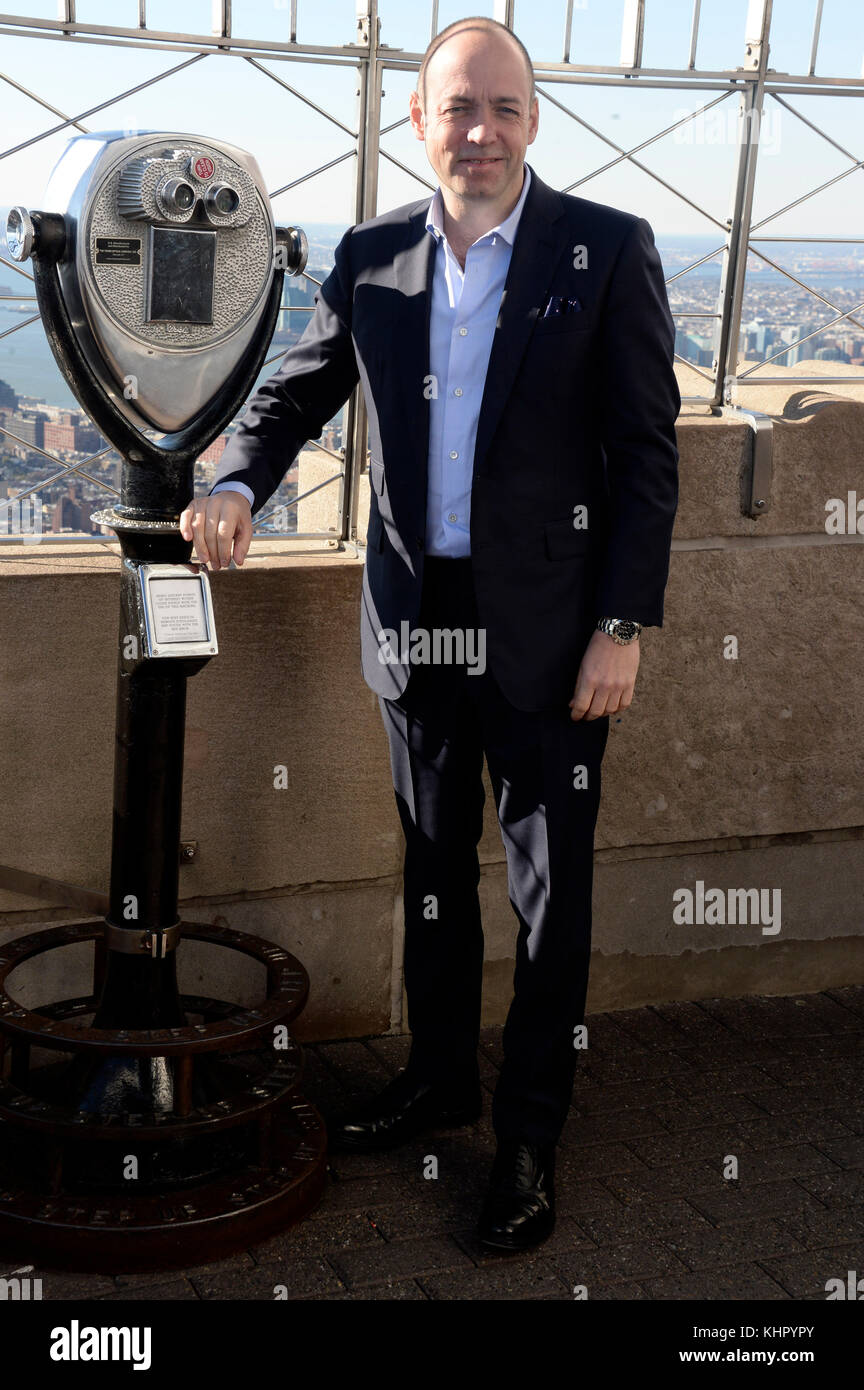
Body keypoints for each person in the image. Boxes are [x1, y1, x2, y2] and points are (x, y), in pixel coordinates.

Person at [180, 15, 680, 1254]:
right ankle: (440, 1080)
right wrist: (236, 480)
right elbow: (296, 390)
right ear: (418, 121)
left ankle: (528, 1135)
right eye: (460, 108)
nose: (482, 132)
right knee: (433, 868)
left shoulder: (607, 251)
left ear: (533, 121)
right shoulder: (373, 256)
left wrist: (620, 625)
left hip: (557, 632)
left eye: (505, 109)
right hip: (420, 621)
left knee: (548, 894)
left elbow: (647, 459)